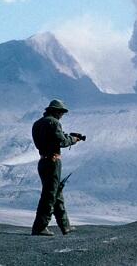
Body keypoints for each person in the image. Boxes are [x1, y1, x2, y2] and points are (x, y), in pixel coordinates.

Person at [31, 99, 82, 236]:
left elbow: (51, 139)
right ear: (55, 111)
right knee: (50, 195)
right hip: (53, 162)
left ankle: (65, 226)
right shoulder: (54, 123)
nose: (61, 115)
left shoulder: (37, 124)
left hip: (43, 161)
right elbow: (62, 141)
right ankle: (40, 226)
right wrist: (73, 139)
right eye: (61, 112)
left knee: (56, 193)